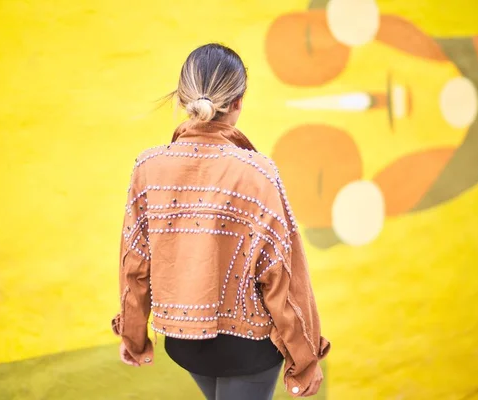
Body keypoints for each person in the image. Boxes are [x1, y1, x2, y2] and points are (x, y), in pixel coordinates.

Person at [111, 43, 330, 399]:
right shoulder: (258, 173)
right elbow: (283, 276)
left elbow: (134, 262)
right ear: (239, 102)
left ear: (183, 100)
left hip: (183, 342)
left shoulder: (147, 168)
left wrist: (133, 335)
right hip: (250, 346)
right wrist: (305, 358)